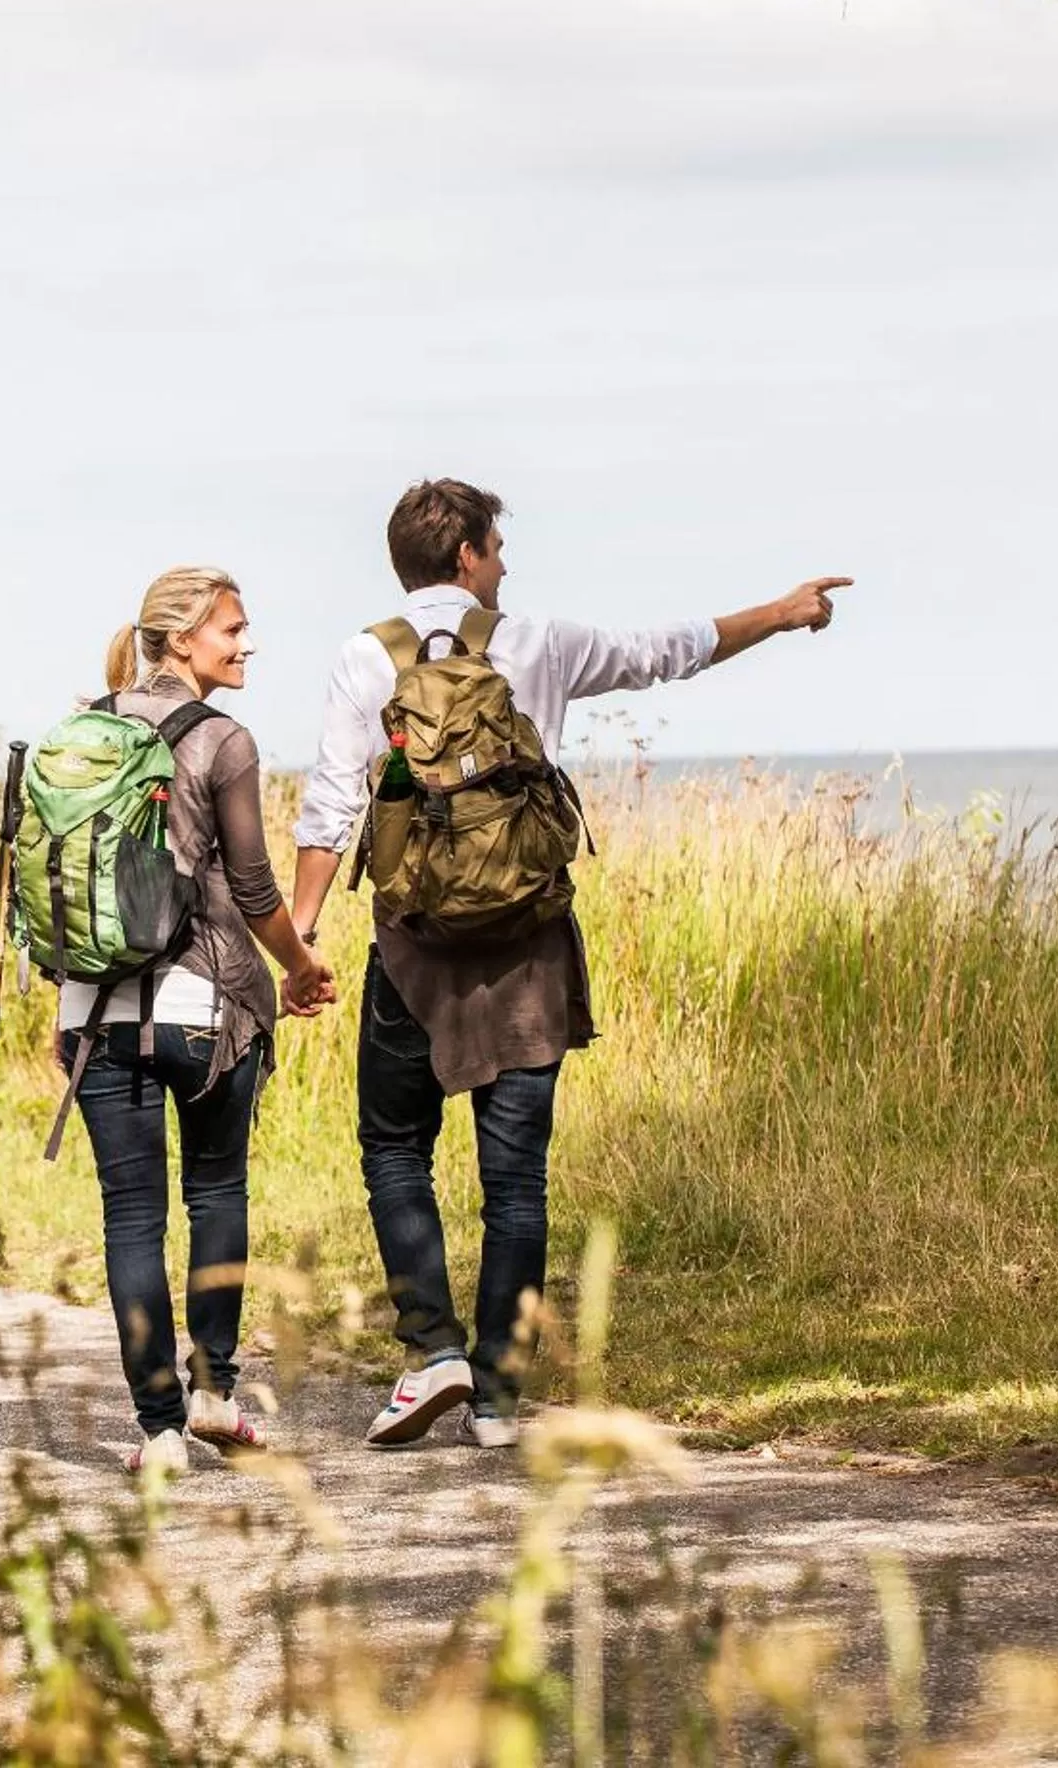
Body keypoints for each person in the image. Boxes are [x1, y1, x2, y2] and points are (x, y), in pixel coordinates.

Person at [290, 480, 849, 1449]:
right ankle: (500, 1399)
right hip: (528, 945)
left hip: (413, 948)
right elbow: (664, 653)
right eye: (497, 548)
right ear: (464, 555)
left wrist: (300, 941)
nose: (504, 564)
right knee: (515, 1180)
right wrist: (783, 611)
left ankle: (433, 1355)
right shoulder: (536, 643)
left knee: (393, 1148)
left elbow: (330, 805)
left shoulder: (362, 657)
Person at [66, 566, 338, 1476]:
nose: (247, 643)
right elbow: (255, 887)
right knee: (216, 1195)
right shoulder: (223, 740)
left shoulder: (85, 730)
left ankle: (157, 1433)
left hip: (94, 1013)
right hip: (202, 1010)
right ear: (181, 640)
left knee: (131, 1220)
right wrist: (298, 965)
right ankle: (215, 1396)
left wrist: (68, 1006)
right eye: (232, 628)